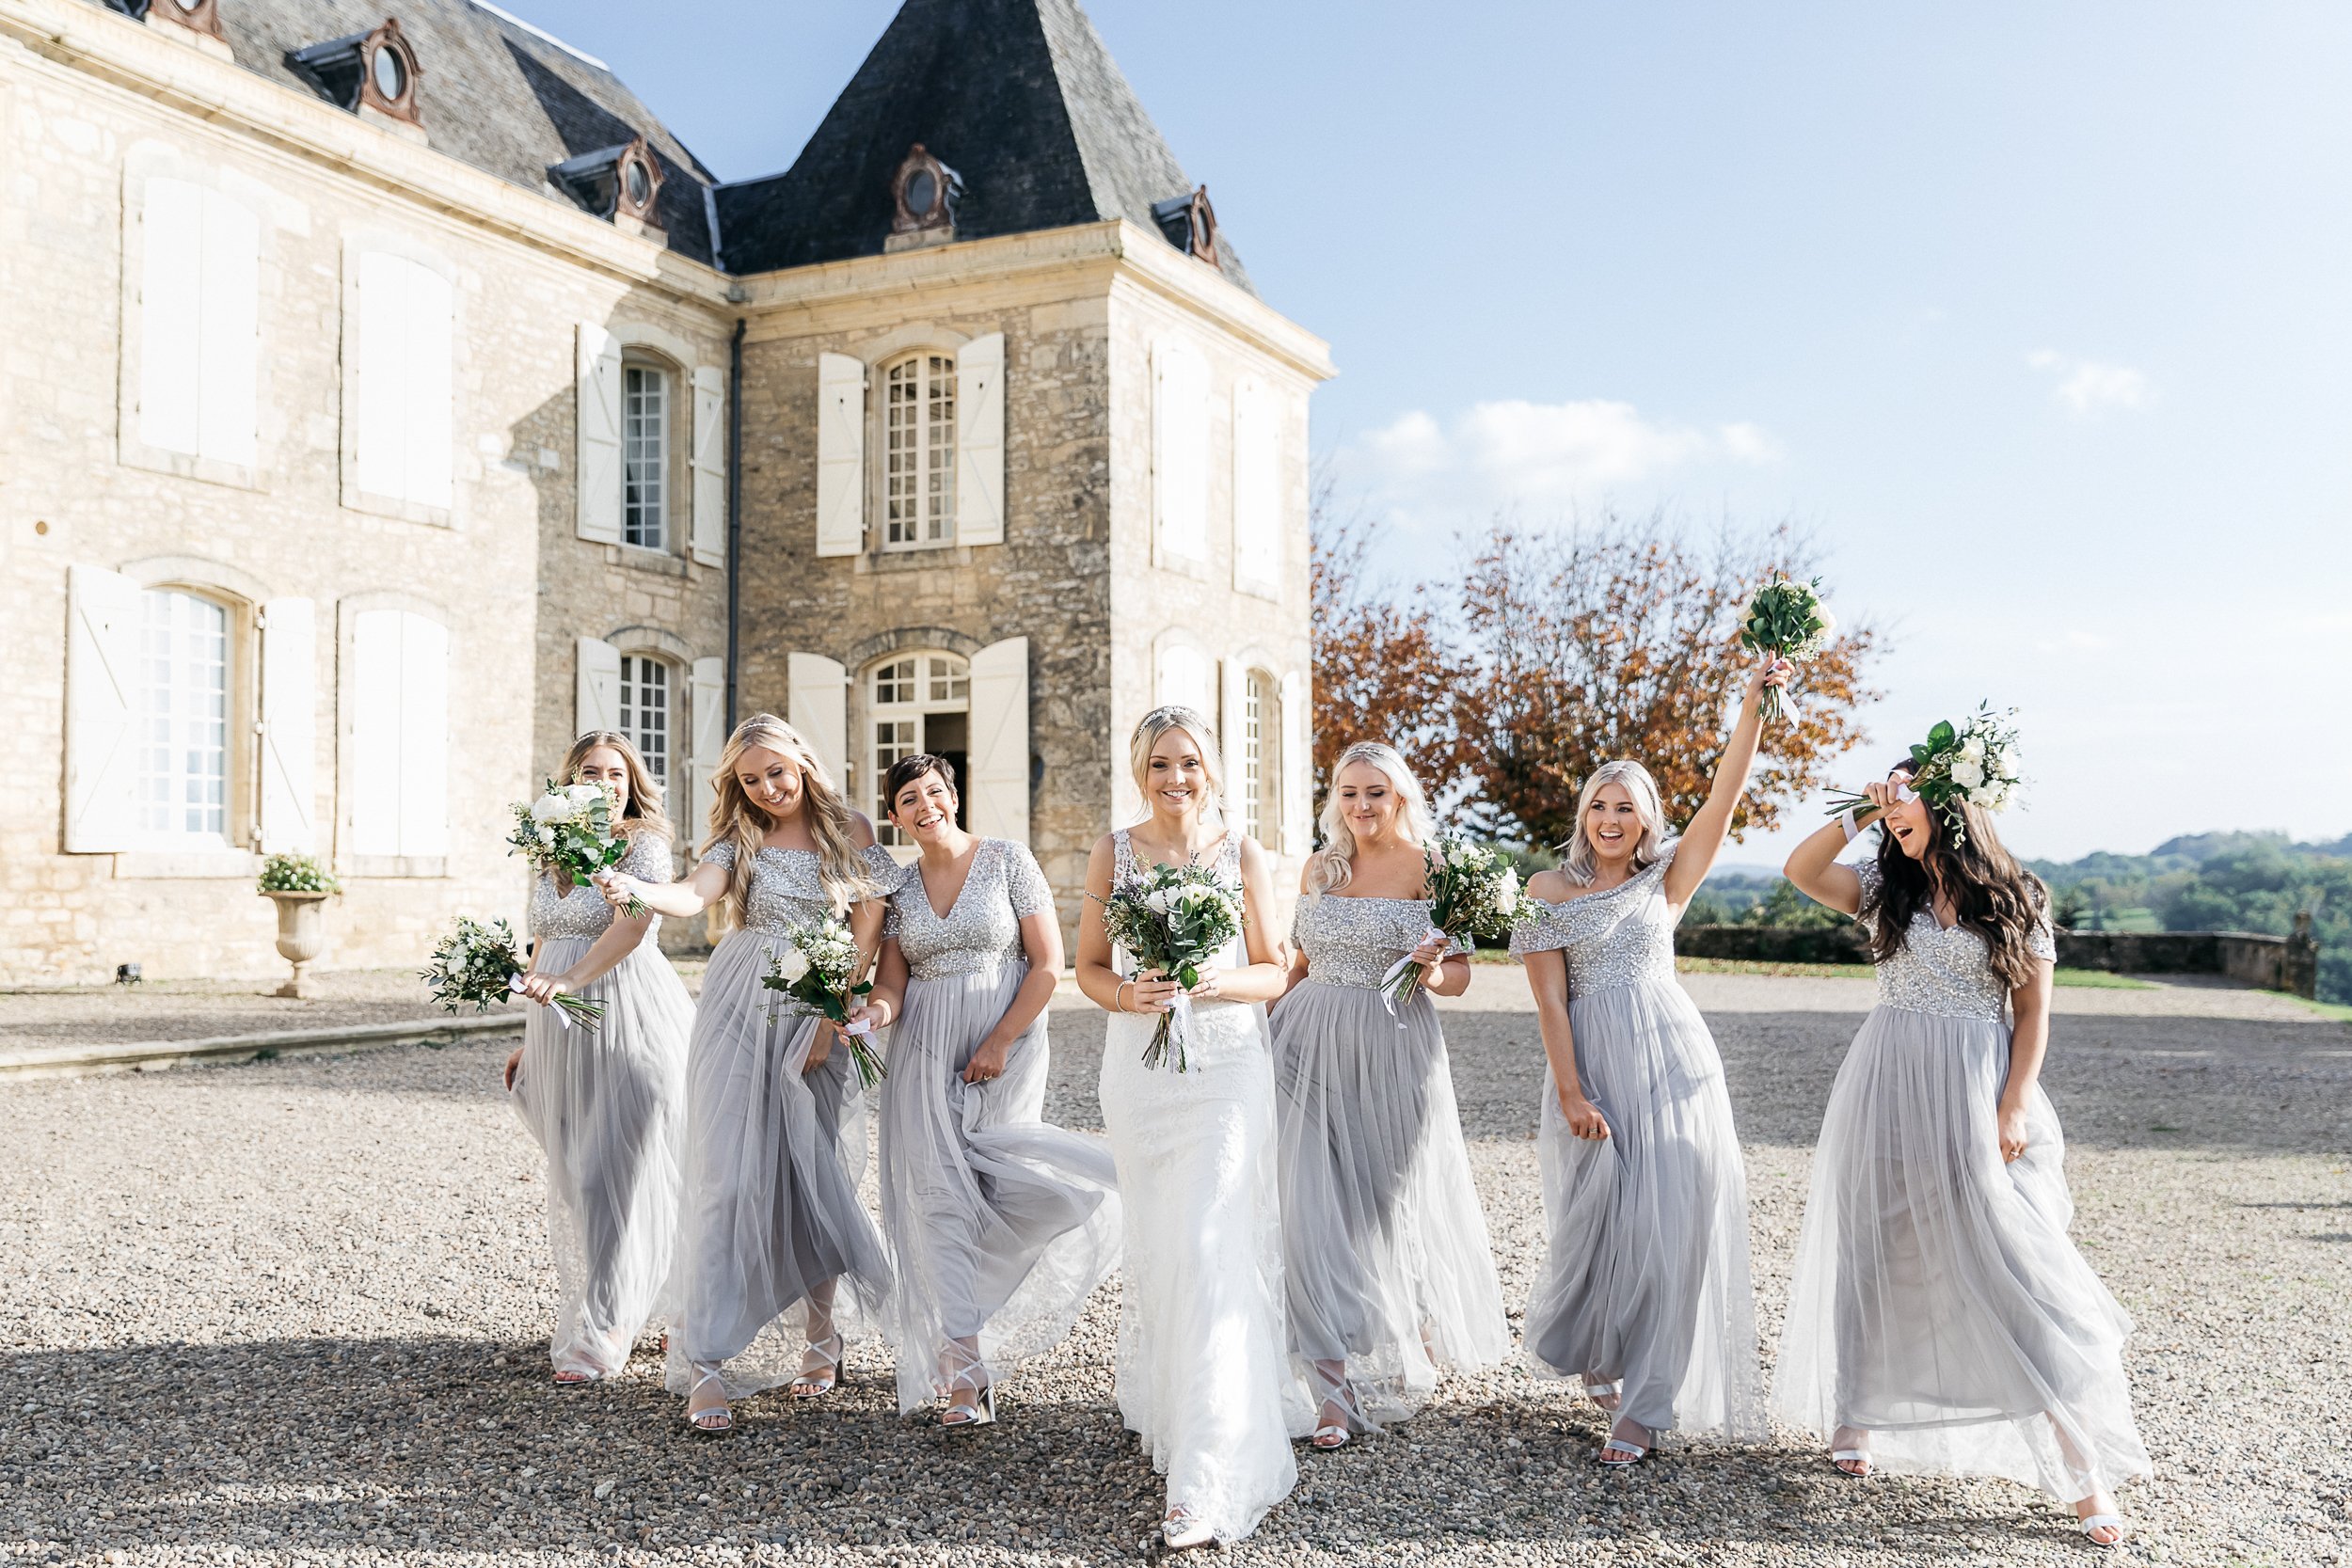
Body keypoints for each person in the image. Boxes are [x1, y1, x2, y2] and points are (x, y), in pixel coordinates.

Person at [1774, 768, 2150, 1547]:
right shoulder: (1887, 883)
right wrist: (1859, 813)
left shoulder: (2018, 893)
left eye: (1900, 797)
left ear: (1946, 804)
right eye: (1883, 802)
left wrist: (2014, 1101)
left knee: (2016, 1266)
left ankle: (2085, 1473)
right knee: (1877, 1243)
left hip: (1980, 1089)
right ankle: (1858, 1413)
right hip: (1888, 1078)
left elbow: (2034, 1009)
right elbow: (1800, 871)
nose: (1889, 810)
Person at [1508, 659, 1789, 1465]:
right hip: (1593, 1064)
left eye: (1625, 805)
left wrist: (1751, 708)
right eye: (1598, 802)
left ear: (1647, 819)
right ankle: (1607, 1352)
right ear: (1582, 814)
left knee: (1672, 1224)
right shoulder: (1548, 890)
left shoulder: (1668, 881)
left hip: (1673, 1061)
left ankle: (1647, 1404)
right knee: (1597, 1224)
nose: (1609, 815)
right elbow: (1551, 1000)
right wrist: (1571, 1087)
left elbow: (1725, 795)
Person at [596, 713, 893, 1434]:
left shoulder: (849, 829)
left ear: (803, 759)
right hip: (738, 1004)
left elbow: (870, 928)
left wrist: (828, 1021)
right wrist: (642, 892)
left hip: (813, 1004)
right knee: (726, 1176)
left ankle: (822, 1336)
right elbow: (696, 894)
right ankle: (708, 1360)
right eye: (751, 780)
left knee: (810, 1173)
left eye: (777, 773)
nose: (768, 789)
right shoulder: (739, 836)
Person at [1075, 705, 1307, 1550]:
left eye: (1191, 762)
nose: (1177, 777)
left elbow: (1275, 968)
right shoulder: (1114, 849)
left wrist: (1209, 981)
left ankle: (1207, 1476)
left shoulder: (1241, 853)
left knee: (1213, 1238)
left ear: (1212, 769)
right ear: (1142, 770)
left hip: (1225, 1067)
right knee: (1170, 1243)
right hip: (1139, 1070)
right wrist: (1127, 994)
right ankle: (1183, 1404)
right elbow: (1088, 968)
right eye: (1162, 763)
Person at [861, 752, 1120, 1428]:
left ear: (954, 794)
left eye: (935, 792)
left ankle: (1002, 1304)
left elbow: (1047, 964)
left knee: (1000, 1187)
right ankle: (963, 1371)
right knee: (940, 1201)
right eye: (909, 799)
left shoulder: (1007, 859)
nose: (926, 806)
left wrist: (1000, 1039)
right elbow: (892, 983)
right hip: (922, 1050)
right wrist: (871, 1013)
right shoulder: (901, 889)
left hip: (1004, 1044)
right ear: (895, 816)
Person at [1269, 740, 1509, 1448]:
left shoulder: (1434, 869)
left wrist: (1431, 971)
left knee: (1378, 1208)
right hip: (1305, 1042)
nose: (1361, 805)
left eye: (1375, 791)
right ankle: (1332, 1389)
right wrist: (1261, 1033)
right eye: (1348, 792)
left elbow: (1461, 975)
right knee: (1308, 1207)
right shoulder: (1320, 867)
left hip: (1393, 1047)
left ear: (1399, 795)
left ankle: (1400, 1328)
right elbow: (1301, 962)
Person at [504, 731, 691, 1385]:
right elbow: (543, 938)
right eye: (592, 770)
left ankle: (608, 1319)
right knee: (582, 1167)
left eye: (617, 772)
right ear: (571, 780)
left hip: (626, 1011)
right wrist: (532, 1030)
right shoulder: (550, 848)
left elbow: (633, 926)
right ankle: (661, 1296)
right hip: (558, 1023)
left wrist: (570, 981)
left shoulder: (645, 845)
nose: (606, 781)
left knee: (621, 1165)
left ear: (632, 781)